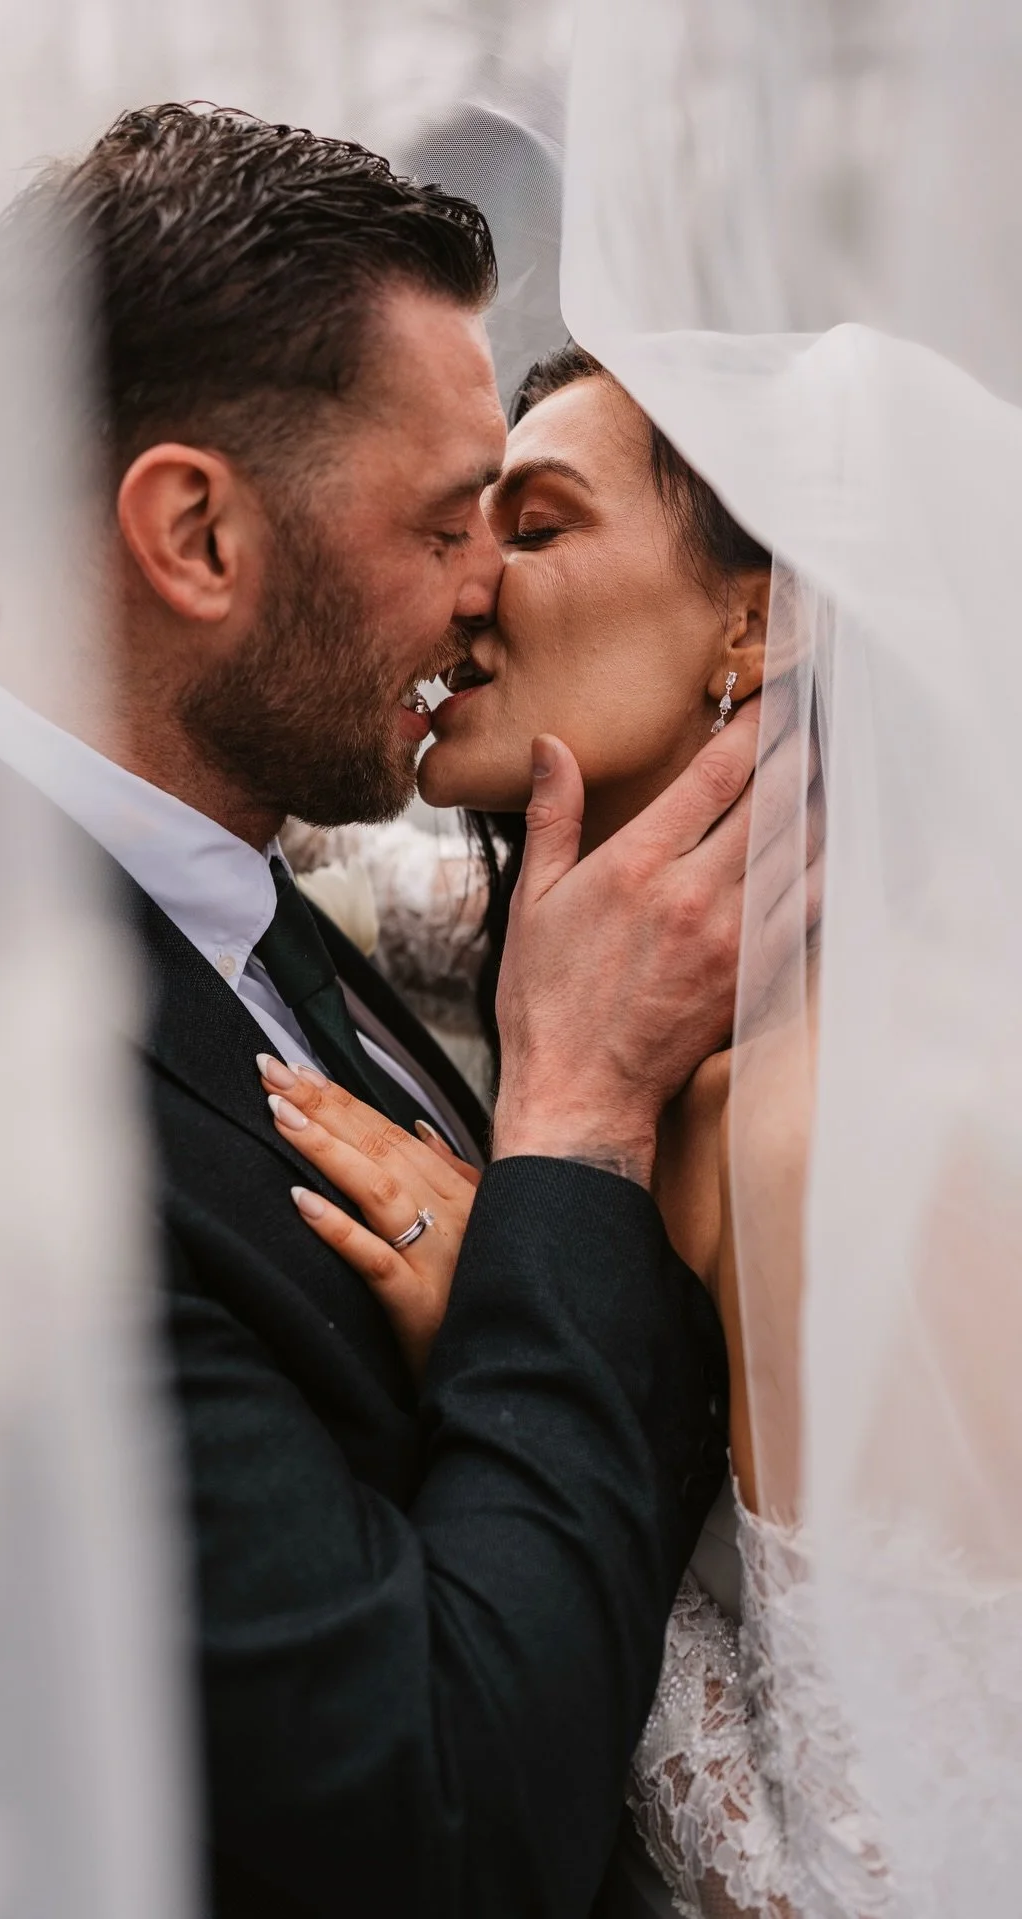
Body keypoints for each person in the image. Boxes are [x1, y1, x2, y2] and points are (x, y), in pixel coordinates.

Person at [0, 108, 763, 1917]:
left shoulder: (240, 891)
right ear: (197, 534)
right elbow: (440, 1819)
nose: (487, 587)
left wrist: (511, 1274)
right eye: (443, 520)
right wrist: (569, 1135)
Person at [277, 344, 884, 1918]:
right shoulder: (550, 942)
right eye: (460, 525)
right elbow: (335, 864)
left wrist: (517, 1319)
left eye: (534, 526)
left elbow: (865, 1885)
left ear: (756, 622)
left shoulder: (820, 1130)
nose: (467, 582)